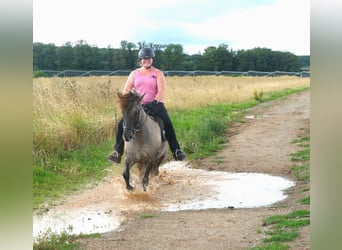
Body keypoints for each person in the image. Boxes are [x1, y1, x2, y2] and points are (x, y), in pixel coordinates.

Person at [107, 47, 186, 163]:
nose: (146, 60)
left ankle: (176, 150)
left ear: (152, 59)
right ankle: (117, 152)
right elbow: (126, 90)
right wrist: (128, 100)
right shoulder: (134, 74)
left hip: (156, 105)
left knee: (168, 124)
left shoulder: (158, 73)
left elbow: (161, 91)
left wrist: (154, 102)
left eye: (148, 58)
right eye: (144, 59)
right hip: (137, 106)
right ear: (141, 60)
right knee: (121, 125)